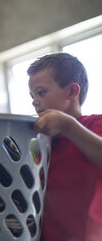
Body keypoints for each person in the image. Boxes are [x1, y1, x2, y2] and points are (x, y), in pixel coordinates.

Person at [27, 52, 102, 241]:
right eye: (32, 95)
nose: (34, 101)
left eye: (41, 92)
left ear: (71, 92)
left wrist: (68, 126)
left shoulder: (94, 125)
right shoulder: (42, 141)